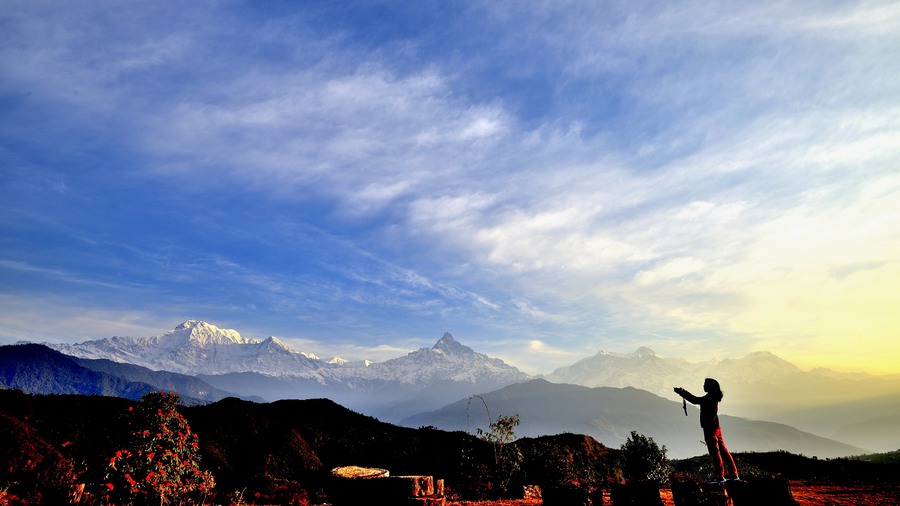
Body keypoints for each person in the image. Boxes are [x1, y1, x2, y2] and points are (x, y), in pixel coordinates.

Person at [674, 378, 739, 483]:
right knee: (723, 451)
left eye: (705, 385)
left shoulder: (708, 398)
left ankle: (719, 476)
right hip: (716, 427)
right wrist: (683, 393)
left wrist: (682, 393)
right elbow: (697, 400)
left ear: (710, 387)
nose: (703, 386)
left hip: (709, 428)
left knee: (715, 452)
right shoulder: (713, 398)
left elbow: (695, 400)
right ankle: (733, 474)